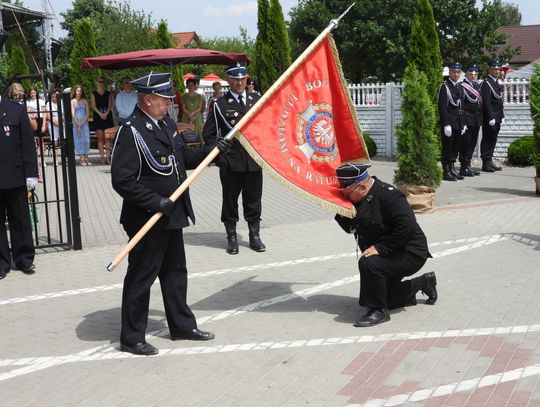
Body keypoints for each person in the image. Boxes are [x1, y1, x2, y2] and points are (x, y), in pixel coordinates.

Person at [111, 72, 231, 356]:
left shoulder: (165, 123)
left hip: (171, 213)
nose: (169, 105)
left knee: (176, 273)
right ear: (148, 99)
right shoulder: (132, 130)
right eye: (164, 100)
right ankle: (131, 337)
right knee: (142, 276)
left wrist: (210, 151)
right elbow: (122, 180)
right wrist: (155, 202)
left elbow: (180, 160)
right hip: (147, 218)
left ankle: (181, 326)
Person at [334, 163, 437, 327]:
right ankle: (423, 282)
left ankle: (379, 311)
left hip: (409, 252)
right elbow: (352, 228)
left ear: (361, 187)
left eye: (347, 193)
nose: (345, 197)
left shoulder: (390, 196)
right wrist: (342, 212)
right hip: (391, 252)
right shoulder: (359, 198)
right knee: (387, 296)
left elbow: (407, 226)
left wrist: (381, 248)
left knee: (369, 263)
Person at [203, 62, 266, 255]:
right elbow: (209, 134)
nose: (239, 83)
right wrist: (219, 158)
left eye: (242, 79)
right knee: (230, 201)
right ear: (228, 80)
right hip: (231, 162)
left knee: (253, 200)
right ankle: (231, 237)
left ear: (247, 79)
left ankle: (254, 236)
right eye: (235, 79)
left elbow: (266, 129)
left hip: (254, 161)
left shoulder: (258, 100)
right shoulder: (219, 104)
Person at [0, 85, 39, 279]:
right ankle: (1, 263)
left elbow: (27, 143)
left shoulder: (15, 109)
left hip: (15, 175)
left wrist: (31, 173)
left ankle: (24, 258)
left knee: (20, 219)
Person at [438, 62, 466, 181]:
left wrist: (464, 123)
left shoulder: (460, 86)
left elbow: (462, 106)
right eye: (454, 72)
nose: (456, 74)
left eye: (458, 72)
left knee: (455, 147)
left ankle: (452, 169)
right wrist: (446, 124)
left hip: (459, 121)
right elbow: (442, 106)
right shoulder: (445, 86)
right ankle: (446, 171)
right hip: (450, 121)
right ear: (449, 72)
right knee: (447, 147)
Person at [480, 60, 505, 172]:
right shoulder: (487, 83)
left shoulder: (495, 82)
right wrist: (491, 117)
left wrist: (502, 116)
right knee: (487, 139)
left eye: (498, 69)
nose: (497, 71)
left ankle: (489, 161)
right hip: (491, 117)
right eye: (495, 69)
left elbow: (499, 101)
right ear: (489, 70)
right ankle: (485, 163)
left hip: (497, 116)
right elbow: (487, 102)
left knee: (493, 139)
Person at [458, 65, 483, 177]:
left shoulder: (477, 85)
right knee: (465, 143)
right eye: (471, 74)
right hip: (467, 118)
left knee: (472, 143)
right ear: (466, 74)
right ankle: (463, 167)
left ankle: (468, 165)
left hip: (476, 119)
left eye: (475, 74)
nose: (473, 76)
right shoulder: (462, 86)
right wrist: (462, 122)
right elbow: (461, 105)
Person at [91, 77, 114, 164]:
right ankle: (102, 157)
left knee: (107, 138)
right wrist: (100, 114)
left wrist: (106, 113)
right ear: (97, 82)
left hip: (107, 116)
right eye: (99, 81)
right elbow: (93, 106)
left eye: (103, 81)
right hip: (98, 116)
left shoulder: (108, 93)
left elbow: (110, 105)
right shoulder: (93, 93)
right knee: (100, 138)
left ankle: (108, 157)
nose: (101, 83)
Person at [71, 85, 91, 166]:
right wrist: (78, 124)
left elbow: (87, 113)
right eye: (78, 91)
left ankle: (86, 157)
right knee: (79, 140)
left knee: (86, 139)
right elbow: (72, 113)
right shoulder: (72, 101)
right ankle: (81, 158)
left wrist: (82, 123)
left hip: (84, 122)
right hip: (76, 122)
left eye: (80, 91)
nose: (79, 92)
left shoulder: (84, 101)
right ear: (75, 91)